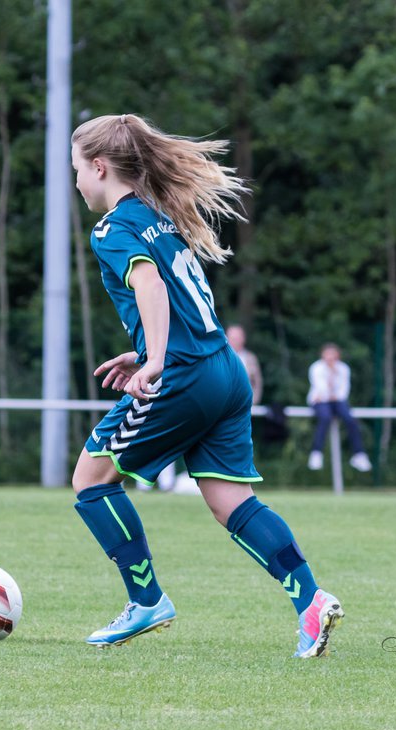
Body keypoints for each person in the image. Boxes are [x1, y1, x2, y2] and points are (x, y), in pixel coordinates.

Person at [70, 113, 343, 658]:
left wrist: (156, 361)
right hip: (223, 369)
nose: (75, 181)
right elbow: (179, 295)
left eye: (76, 169)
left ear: (99, 168)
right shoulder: (157, 217)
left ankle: (146, 601)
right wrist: (147, 350)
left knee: (91, 481)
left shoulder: (114, 227)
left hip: (184, 375)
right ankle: (310, 601)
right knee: (230, 499)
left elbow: (150, 284)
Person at [307, 343, 372, 472]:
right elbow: (321, 389)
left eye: (333, 354)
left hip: (336, 401)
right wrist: (330, 379)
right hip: (320, 402)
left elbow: (343, 392)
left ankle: (359, 455)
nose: (330, 358)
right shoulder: (316, 368)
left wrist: (333, 377)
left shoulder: (343, 369)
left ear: (338, 355)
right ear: (322, 355)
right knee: (325, 417)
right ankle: (316, 453)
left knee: (350, 419)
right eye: (327, 354)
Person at [226, 324, 263, 405]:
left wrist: (253, 402)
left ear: (243, 339)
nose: (234, 341)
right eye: (232, 338)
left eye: (237, 338)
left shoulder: (251, 358)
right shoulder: (219, 358)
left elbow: (258, 383)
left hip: (246, 406)